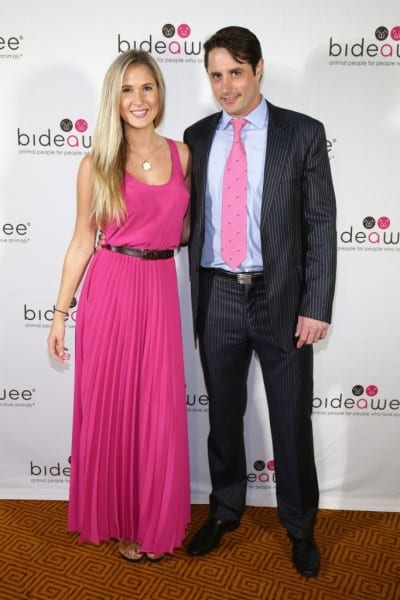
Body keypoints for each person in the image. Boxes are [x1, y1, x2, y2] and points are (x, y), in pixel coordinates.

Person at [183, 26, 336, 577]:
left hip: (282, 297)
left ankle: (299, 525)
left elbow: (320, 223)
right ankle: (224, 510)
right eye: (216, 74)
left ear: (259, 69)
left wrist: (316, 304)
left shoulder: (302, 133)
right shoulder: (196, 137)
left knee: (290, 418)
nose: (226, 86)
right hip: (219, 291)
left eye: (236, 73)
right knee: (223, 416)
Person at [47, 49, 191, 562]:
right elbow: (82, 241)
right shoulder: (96, 164)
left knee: (157, 413)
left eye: (147, 87)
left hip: (158, 288)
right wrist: (61, 313)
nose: (138, 99)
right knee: (116, 410)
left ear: (160, 94)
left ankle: (154, 519)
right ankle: (124, 520)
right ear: (114, 98)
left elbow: (186, 228)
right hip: (111, 288)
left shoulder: (183, 155)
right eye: (127, 90)